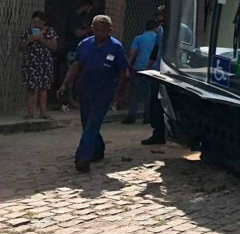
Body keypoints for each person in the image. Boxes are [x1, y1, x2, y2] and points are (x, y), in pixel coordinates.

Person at [58, 15, 130, 173]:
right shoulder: (85, 44)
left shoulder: (116, 47)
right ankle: (98, 150)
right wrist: (65, 84)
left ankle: (83, 157)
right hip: (85, 89)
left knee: (93, 124)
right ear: (92, 28)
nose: (100, 33)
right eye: (97, 29)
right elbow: (75, 66)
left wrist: (118, 94)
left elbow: (123, 73)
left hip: (104, 92)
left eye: (103, 30)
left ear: (110, 30)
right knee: (87, 124)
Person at [18, 11, 59, 119]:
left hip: (44, 63)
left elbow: (54, 47)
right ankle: (30, 113)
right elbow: (20, 48)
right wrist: (29, 40)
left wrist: (41, 39)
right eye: (35, 22)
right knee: (30, 88)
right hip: (30, 62)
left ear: (44, 22)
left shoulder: (50, 31)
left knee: (43, 88)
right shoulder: (27, 31)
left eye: (39, 22)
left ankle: (43, 113)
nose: (37, 25)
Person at [123, 20, 159, 124]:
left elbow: (132, 54)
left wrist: (127, 68)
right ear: (155, 28)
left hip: (138, 68)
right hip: (152, 70)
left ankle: (131, 116)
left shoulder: (138, 38)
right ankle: (147, 117)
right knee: (148, 94)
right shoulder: (157, 39)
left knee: (134, 93)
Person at [142, 6, 167, 145]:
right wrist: (148, 68)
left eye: (160, 15)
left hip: (171, 72)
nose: (158, 17)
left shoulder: (181, 29)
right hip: (158, 71)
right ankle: (158, 132)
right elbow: (155, 49)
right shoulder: (160, 30)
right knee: (155, 103)